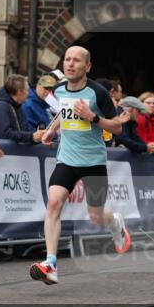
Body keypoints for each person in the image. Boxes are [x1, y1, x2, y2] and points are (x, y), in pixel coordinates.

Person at [30, 46, 127, 285]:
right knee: (53, 203)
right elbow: (62, 113)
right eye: (67, 59)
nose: (70, 64)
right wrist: (51, 131)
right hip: (67, 159)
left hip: (93, 161)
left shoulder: (98, 92)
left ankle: (115, 222)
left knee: (96, 216)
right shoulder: (60, 89)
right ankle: (51, 263)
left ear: (88, 66)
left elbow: (117, 127)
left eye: (76, 60)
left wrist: (92, 117)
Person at [0, 74, 46, 145]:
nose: (28, 94)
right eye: (27, 90)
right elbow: (4, 134)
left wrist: (36, 136)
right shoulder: (1, 106)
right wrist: (31, 136)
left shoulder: (17, 106)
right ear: (19, 92)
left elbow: (24, 130)